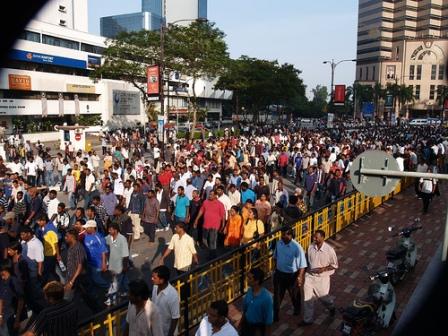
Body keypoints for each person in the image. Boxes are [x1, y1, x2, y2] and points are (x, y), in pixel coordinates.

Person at [301, 229, 338, 326]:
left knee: (324, 298)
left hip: (322, 279)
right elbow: (306, 263)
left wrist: (323, 269)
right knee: (307, 299)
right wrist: (301, 276)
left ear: (322, 238)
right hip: (309, 276)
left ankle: (331, 307)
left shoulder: (329, 250)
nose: (314, 239)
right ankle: (307, 320)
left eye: (316, 237)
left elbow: (335, 265)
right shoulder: (310, 247)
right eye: (314, 237)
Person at [273, 226, 307, 322]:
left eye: (285, 235)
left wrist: (300, 277)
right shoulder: (279, 244)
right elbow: (275, 257)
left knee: (294, 294)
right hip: (279, 274)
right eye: (282, 234)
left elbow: (302, 264)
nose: (282, 236)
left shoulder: (297, 247)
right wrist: (275, 268)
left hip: (292, 275)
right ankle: (275, 314)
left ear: (290, 235)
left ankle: (297, 309)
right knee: (277, 295)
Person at [193, 190, 225, 259]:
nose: (209, 196)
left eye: (211, 195)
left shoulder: (220, 204)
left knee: (212, 241)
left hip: (214, 226)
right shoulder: (205, 202)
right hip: (205, 225)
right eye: (209, 194)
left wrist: (223, 225)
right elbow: (201, 211)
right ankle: (210, 251)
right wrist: (196, 220)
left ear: (215, 195)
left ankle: (213, 256)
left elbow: (223, 215)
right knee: (204, 239)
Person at [240, 268, 273, 336]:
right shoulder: (249, 291)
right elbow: (245, 309)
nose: (247, 280)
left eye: (250, 278)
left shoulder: (267, 298)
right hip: (246, 325)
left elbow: (268, 320)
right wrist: (241, 323)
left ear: (257, 281)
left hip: (258, 329)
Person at [105, 222, 130, 306]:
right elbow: (103, 242)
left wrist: (125, 266)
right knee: (124, 281)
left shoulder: (122, 239)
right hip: (113, 264)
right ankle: (127, 292)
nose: (109, 231)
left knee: (115, 282)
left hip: (120, 265)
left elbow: (126, 255)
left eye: (110, 230)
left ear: (115, 230)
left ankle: (112, 299)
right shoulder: (109, 238)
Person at [151, 266, 180, 336]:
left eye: (154, 278)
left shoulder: (173, 295)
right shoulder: (155, 287)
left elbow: (175, 318)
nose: (151, 279)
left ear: (161, 280)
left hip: (166, 332)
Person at [0, 263, 25, 336]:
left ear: (7, 271)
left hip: (9, 316)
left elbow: (21, 300)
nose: (2, 277)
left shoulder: (14, 282)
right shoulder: (2, 281)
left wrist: (17, 319)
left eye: (3, 274)